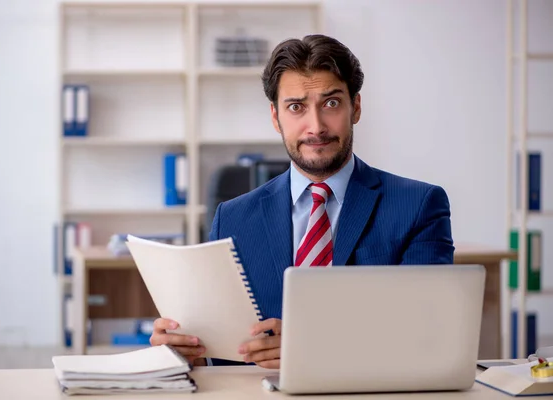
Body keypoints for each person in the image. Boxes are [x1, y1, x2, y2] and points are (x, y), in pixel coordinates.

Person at [150, 34, 454, 369]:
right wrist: (185, 351)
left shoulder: (419, 205)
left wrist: (309, 345)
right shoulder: (232, 218)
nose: (316, 126)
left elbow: (429, 332)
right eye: (296, 107)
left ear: (356, 107)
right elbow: (221, 356)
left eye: (331, 103)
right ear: (276, 117)